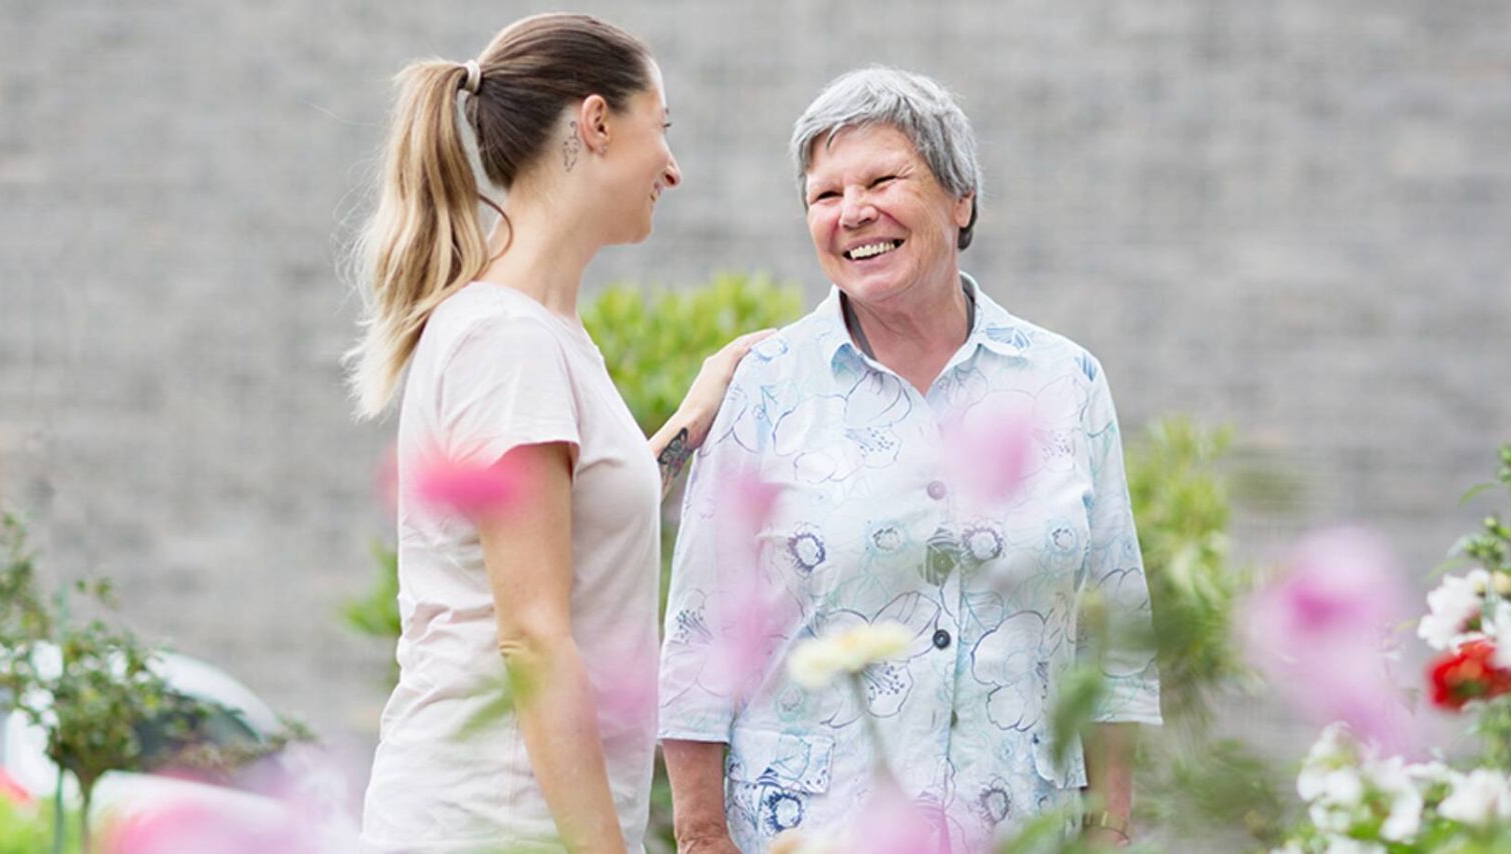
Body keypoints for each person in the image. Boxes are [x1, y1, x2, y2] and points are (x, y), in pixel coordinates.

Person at [658, 67, 1161, 853]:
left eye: (883, 180)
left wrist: (1111, 827)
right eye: (825, 195)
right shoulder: (767, 386)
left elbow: (1114, 629)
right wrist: (700, 835)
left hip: (1019, 827)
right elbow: (701, 631)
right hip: (811, 832)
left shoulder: (1065, 380)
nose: (854, 212)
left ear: (961, 200)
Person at [346, 13, 768, 854]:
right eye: (663, 128)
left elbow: (568, 525)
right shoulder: (510, 340)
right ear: (598, 122)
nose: (674, 169)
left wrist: (693, 416)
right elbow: (532, 634)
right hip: (490, 823)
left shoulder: (536, 334)